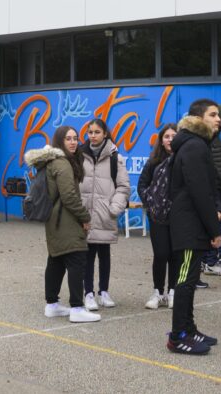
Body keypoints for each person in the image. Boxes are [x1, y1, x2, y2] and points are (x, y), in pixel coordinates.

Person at [166, 98, 221, 355]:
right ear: (198, 118)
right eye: (213, 115)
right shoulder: (194, 146)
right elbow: (200, 192)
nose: (218, 119)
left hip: (191, 223)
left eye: (219, 115)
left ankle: (189, 329)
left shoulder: (196, 144)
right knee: (184, 281)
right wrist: (215, 230)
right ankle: (178, 336)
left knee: (188, 279)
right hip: (189, 225)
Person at [30, 125, 98, 324]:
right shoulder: (63, 163)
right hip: (66, 219)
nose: (73, 142)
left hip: (55, 220)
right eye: (68, 138)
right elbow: (69, 196)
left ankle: (52, 305)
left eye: (75, 138)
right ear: (60, 140)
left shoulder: (53, 162)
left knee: (57, 259)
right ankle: (77, 307)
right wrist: (85, 217)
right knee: (77, 258)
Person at [79, 118, 131, 311]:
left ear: (105, 134)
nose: (93, 135)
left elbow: (124, 186)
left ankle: (104, 292)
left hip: (105, 214)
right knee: (87, 255)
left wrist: (114, 208)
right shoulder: (79, 155)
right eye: (90, 132)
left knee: (104, 254)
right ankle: (88, 293)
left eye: (97, 132)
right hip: (84, 214)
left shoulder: (115, 157)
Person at [138, 123, 179, 310]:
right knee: (161, 254)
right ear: (161, 140)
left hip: (179, 216)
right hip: (158, 217)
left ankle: (172, 292)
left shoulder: (184, 159)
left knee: (175, 255)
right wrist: (152, 203)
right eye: (166, 136)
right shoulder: (153, 161)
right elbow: (142, 185)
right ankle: (157, 292)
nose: (170, 139)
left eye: (173, 136)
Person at [202, 106, 221, 278]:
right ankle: (210, 262)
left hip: (217, 184)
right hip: (213, 185)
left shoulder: (216, 134)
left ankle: (207, 261)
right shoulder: (210, 135)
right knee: (215, 223)